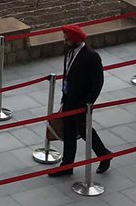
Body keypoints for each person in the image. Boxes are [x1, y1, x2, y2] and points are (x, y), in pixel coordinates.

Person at [48, 25, 112, 178]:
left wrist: (88, 102)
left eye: (67, 39)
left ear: (75, 40)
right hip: (69, 100)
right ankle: (67, 165)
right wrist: (64, 97)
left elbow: (98, 82)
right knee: (69, 133)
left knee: (85, 131)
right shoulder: (69, 52)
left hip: (82, 104)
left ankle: (104, 155)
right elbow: (67, 76)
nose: (65, 41)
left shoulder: (91, 57)